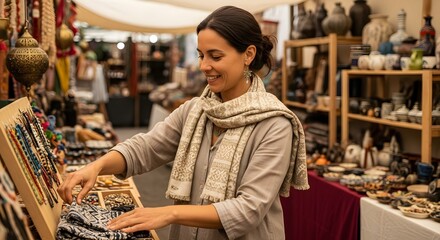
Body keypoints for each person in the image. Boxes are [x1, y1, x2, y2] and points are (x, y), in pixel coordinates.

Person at [57, 5, 309, 240]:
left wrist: (170, 213)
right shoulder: (197, 110)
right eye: (201, 55)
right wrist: (96, 166)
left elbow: (248, 209)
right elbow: (146, 148)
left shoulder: (274, 124)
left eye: (215, 56)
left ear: (248, 55)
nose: (204, 66)